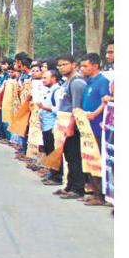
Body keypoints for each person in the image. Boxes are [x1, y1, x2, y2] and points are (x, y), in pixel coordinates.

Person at [78, 52, 111, 206]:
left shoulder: (102, 81)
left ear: (95, 66)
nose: (82, 69)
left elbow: (106, 102)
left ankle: (100, 194)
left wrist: (94, 114)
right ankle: (93, 190)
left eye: (85, 66)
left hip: (97, 127)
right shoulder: (89, 82)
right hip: (87, 128)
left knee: (97, 160)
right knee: (89, 159)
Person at [54, 54, 87, 200]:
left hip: (73, 125)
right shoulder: (66, 82)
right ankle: (69, 185)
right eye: (59, 65)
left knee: (74, 157)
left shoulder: (77, 83)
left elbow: (76, 107)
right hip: (63, 123)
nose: (61, 67)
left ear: (73, 64)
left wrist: (71, 127)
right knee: (68, 155)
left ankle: (77, 188)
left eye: (64, 64)